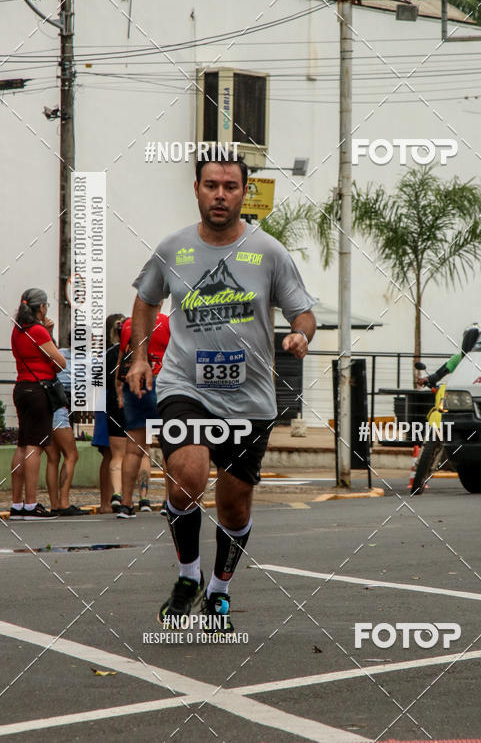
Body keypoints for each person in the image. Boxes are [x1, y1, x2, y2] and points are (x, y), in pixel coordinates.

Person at [126, 151, 316, 627]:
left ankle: (218, 589)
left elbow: (303, 310)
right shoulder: (173, 249)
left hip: (249, 397)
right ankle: (188, 573)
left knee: (234, 505)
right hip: (185, 385)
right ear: (196, 188)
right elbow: (146, 300)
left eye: (230, 186)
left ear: (243, 192)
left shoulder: (268, 252)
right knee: (187, 476)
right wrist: (140, 356)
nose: (220, 194)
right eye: (211, 185)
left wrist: (301, 334)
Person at [10, 288, 66, 519]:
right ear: (41, 307)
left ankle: (17, 503)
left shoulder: (18, 330)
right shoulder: (38, 331)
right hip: (38, 390)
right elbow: (60, 362)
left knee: (23, 444)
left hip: (21, 387)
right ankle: (31, 504)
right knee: (36, 446)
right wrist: (49, 334)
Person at [115, 309, 170, 518]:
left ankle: (126, 504)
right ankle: (169, 501)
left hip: (133, 384)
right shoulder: (166, 323)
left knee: (133, 448)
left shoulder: (129, 325)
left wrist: (120, 392)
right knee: (169, 446)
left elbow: (121, 361)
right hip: (159, 381)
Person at [91, 313, 128, 512]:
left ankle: (109, 500)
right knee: (116, 454)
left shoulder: (105, 353)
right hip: (110, 401)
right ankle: (113, 499)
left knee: (111, 454)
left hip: (104, 400)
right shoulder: (116, 352)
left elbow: (95, 380)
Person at [46, 336, 85, 516]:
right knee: (71, 455)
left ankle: (54, 504)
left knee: (53, 457)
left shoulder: (59, 353)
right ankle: (64, 502)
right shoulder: (87, 359)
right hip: (61, 406)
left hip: (49, 402)